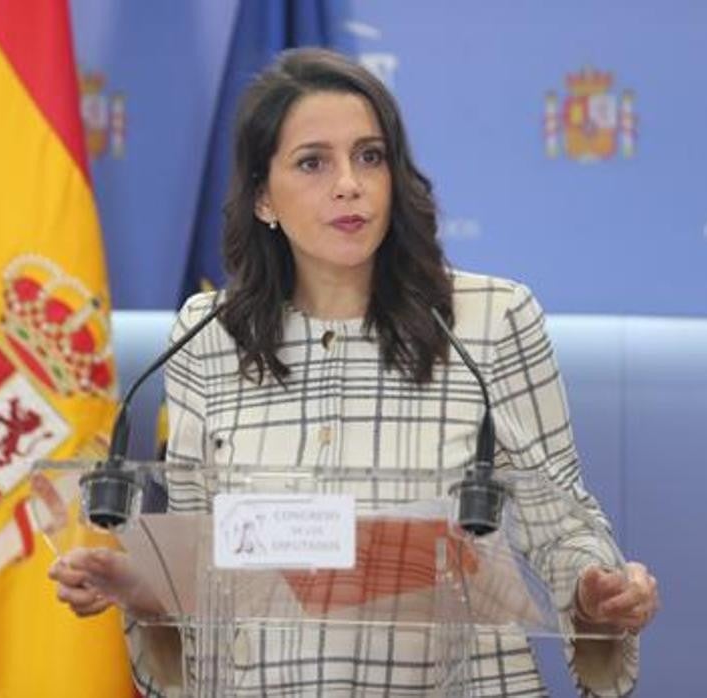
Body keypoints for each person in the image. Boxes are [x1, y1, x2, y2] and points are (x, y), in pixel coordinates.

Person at [50, 47, 659, 696]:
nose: (349, 183)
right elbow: (206, 565)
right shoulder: (210, 333)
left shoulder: (491, 318)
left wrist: (600, 591)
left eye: (369, 156)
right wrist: (144, 590)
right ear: (263, 198)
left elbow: (562, 524)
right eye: (313, 162)